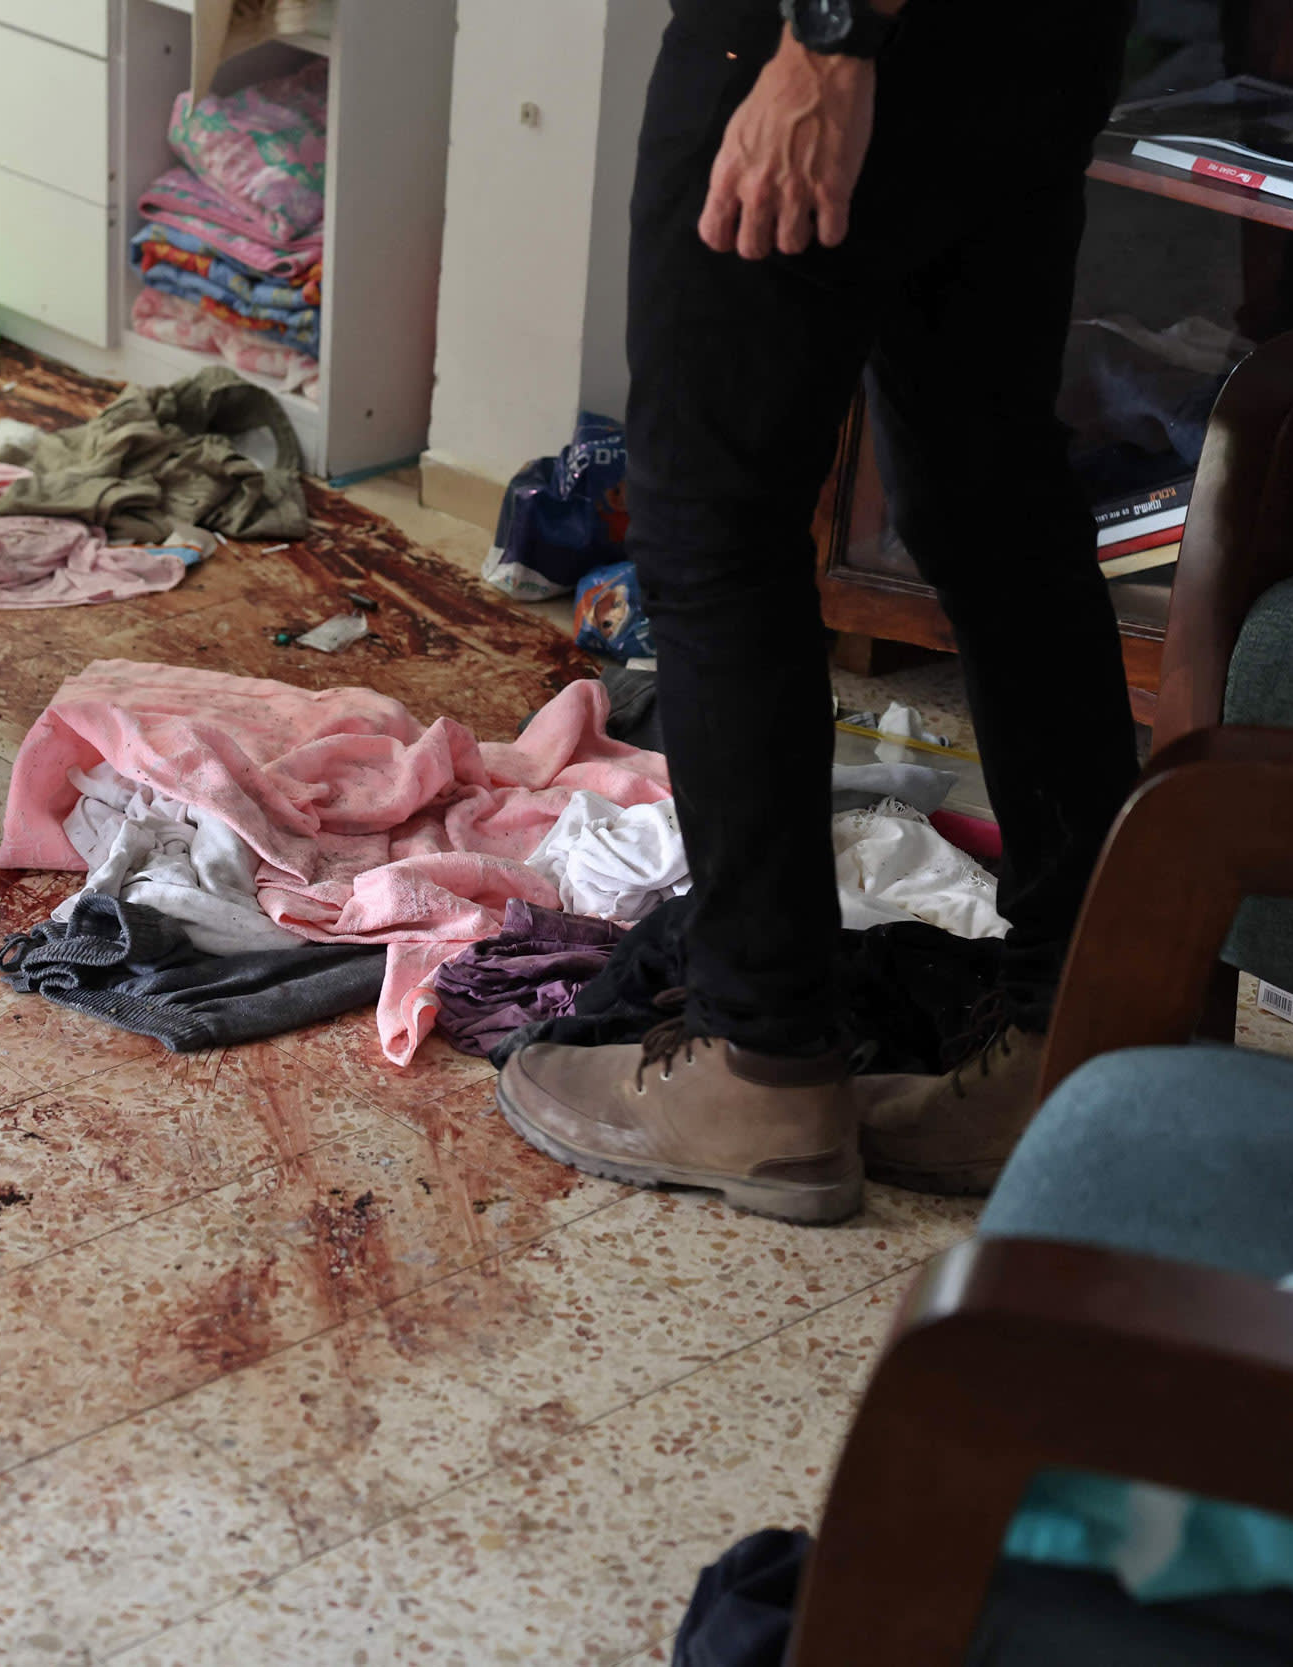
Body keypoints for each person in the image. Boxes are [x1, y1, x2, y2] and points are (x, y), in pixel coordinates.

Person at [496, 0, 1143, 1223]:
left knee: (710, 518)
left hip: (830, 45)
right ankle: (1082, 1034)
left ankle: (760, 1067)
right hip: (1035, 40)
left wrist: (829, 43)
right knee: (992, 506)